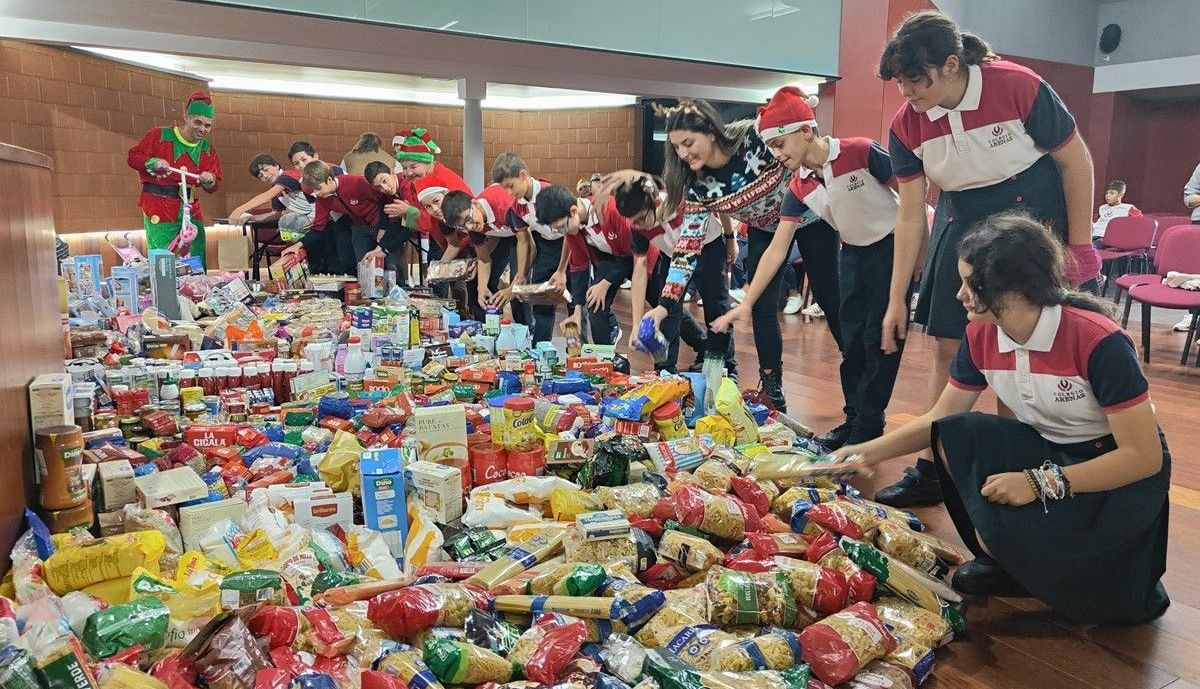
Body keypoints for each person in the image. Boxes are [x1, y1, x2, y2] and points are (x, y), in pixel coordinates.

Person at [834, 213, 1169, 623]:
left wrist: (1038, 482)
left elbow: (1143, 457)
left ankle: (1055, 559)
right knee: (957, 432)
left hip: (1115, 467)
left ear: (1014, 288)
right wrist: (864, 452)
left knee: (1110, 608)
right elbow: (940, 417)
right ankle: (1009, 559)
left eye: (971, 284)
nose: (959, 295)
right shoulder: (981, 335)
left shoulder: (1098, 341)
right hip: (1051, 450)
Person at [873, 9, 1102, 507]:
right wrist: (897, 299)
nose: (907, 92)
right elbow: (911, 215)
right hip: (961, 215)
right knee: (948, 346)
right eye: (900, 82)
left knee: (1018, 342)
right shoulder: (906, 124)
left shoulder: (1018, 86)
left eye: (916, 79)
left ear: (952, 65)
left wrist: (1080, 244)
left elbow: (1074, 159)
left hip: (1029, 211)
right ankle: (934, 466)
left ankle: (1017, 464)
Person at [605, 99, 839, 411]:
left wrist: (799, 103)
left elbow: (794, 118)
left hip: (813, 218)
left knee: (833, 303)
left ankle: (860, 405)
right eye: (677, 148)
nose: (684, 154)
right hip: (765, 230)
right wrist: (663, 307)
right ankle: (772, 392)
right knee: (761, 309)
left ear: (711, 132)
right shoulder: (698, 185)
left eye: (689, 142)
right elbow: (687, 248)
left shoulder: (752, 137)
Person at [713, 86, 904, 449]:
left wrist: (916, 263)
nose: (777, 154)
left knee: (876, 341)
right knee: (851, 341)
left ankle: (868, 424)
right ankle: (855, 418)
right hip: (853, 254)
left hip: (891, 249)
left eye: (781, 144)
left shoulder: (860, 151)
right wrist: (748, 301)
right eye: (771, 147)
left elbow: (911, 200)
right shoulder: (799, 188)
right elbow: (776, 249)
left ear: (805, 130)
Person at [606, 174, 727, 374]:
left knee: (716, 311)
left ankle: (725, 368)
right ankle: (664, 369)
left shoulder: (683, 202)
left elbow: (720, 206)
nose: (640, 226)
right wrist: (636, 324)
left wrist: (730, 239)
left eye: (642, 218)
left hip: (708, 249)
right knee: (667, 310)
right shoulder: (638, 225)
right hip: (673, 257)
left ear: (655, 202)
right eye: (633, 221)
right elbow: (639, 270)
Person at [126, 90, 222, 267]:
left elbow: (214, 184)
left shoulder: (207, 148)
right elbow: (133, 157)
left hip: (190, 208)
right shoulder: (160, 135)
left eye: (207, 125)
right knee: (164, 259)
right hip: (159, 205)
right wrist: (152, 162)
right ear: (186, 117)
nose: (202, 129)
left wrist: (210, 179)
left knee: (196, 257)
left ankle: (197, 292)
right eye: (198, 122)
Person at [534, 185, 634, 346]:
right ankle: (605, 359)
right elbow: (579, 267)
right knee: (595, 305)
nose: (562, 232)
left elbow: (635, 252)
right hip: (611, 260)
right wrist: (578, 310)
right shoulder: (574, 228)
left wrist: (605, 282)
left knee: (665, 307)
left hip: (640, 258)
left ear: (573, 211)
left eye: (562, 227)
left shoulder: (610, 209)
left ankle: (666, 367)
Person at [492, 152, 569, 344]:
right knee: (542, 300)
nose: (509, 193)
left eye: (510, 186)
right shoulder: (517, 207)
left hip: (571, 246)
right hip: (546, 246)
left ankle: (575, 354)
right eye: (505, 189)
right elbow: (524, 241)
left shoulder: (548, 193)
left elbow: (571, 232)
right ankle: (541, 350)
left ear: (523, 175)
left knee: (575, 303)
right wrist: (521, 273)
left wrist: (561, 270)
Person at [440, 185, 530, 321]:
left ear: (474, 203)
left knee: (518, 290)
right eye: (462, 227)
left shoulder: (505, 206)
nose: (469, 227)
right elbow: (484, 259)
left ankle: (528, 331)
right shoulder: (473, 225)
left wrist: (512, 288)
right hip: (505, 233)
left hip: (531, 233)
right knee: (480, 283)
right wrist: (481, 288)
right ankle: (487, 329)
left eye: (468, 220)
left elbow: (528, 245)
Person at [281, 161, 381, 276]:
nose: (317, 193)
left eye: (318, 188)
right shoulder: (323, 200)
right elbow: (318, 228)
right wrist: (298, 244)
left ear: (329, 179)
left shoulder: (356, 182)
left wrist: (382, 228)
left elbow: (382, 200)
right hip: (359, 227)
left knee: (390, 261)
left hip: (380, 223)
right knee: (363, 267)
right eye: (313, 190)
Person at [228, 154, 314, 232]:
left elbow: (267, 196)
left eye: (266, 170)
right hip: (310, 222)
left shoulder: (286, 176)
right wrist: (250, 217)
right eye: (260, 176)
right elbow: (276, 214)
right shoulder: (276, 189)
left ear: (276, 166)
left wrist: (238, 210)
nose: (265, 176)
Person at [1092, 180, 1143, 246]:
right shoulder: (1102, 208)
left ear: (1121, 194)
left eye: (1112, 193)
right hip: (1092, 235)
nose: (1107, 196)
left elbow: (1138, 225)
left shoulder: (1128, 208)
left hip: (1106, 238)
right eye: (1107, 193)